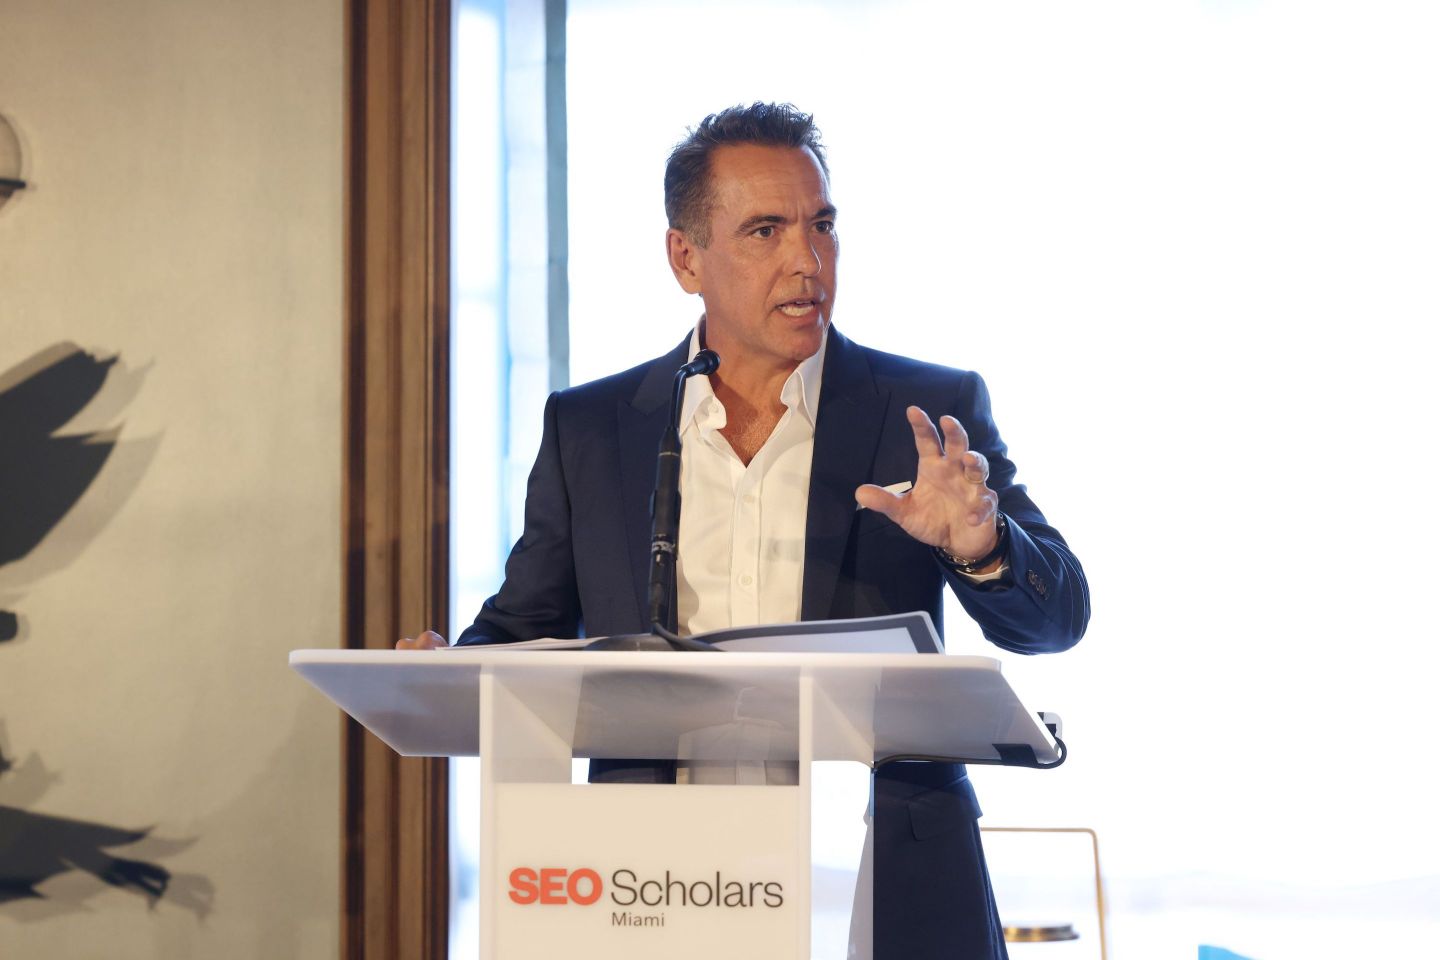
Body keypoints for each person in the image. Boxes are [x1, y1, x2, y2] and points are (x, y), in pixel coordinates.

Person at [400, 102, 1088, 960]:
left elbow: (1057, 618)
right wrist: (444, 678)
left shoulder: (924, 411)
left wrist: (979, 546)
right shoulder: (595, 428)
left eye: (822, 225)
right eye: (766, 231)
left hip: (878, 875)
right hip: (650, 884)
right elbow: (524, 630)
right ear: (685, 257)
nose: (808, 261)